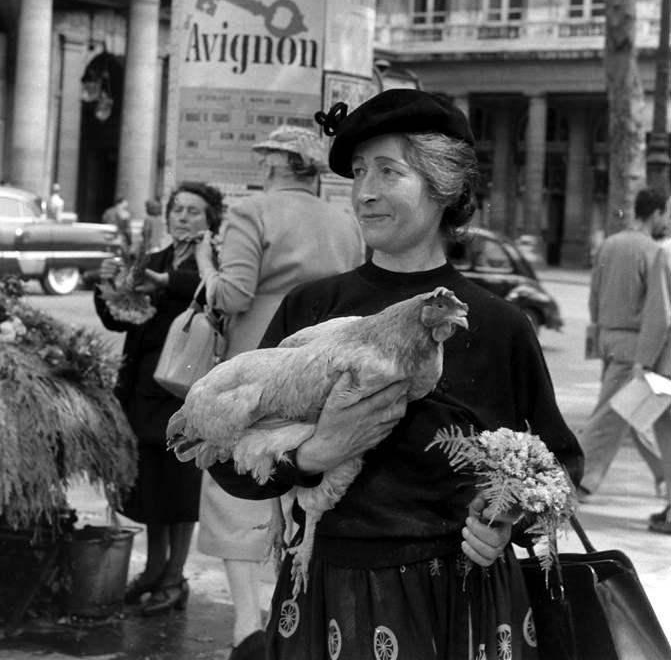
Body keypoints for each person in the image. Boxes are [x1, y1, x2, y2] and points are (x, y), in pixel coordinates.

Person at [206, 89, 582, 660]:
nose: (364, 193)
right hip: (330, 593)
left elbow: (558, 463)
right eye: (358, 172)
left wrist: (507, 516)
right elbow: (231, 463)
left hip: (462, 601)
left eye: (389, 171)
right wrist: (312, 455)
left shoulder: (497, 324)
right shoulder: (313, 308)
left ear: (442, 186)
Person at [194, 126, 364, 660]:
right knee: (302, 492)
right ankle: (290, 616)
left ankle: (247, 624)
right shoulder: (345, 219)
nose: (260, 163)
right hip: (327, 373)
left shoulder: (253, 211)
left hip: (257, 371)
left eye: (264, 155)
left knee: (235, 492)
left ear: (277, 163)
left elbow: (236, 292)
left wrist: (204, 267)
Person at [94, 180, 225, 616]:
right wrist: (106, 289)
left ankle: (174, 576)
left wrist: (166, 283)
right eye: (178, 210)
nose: (183, 217)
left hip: (188, 389)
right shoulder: (151, 260)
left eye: (193, 211)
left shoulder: (214, 263)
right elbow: (121, 321)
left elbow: (213, 296)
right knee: (152, 484)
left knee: (180, 484)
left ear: (210, 220)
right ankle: (153, 569)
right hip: (145, 386)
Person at [578, 186, 668, 499]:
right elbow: (658, 307)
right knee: (613, 415)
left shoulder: (609, 244)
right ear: (656, 213)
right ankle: (580, 477)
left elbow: (594, 294)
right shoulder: (653, 251)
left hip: (608, 338)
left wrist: (597, 333)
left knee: (636, 414)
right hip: (635, 345)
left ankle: (662, 474)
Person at [635, 237, 671, 533]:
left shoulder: (666, 251)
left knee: (668, 436)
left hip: (667, 365)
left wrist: (644, 360)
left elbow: (660, 314)